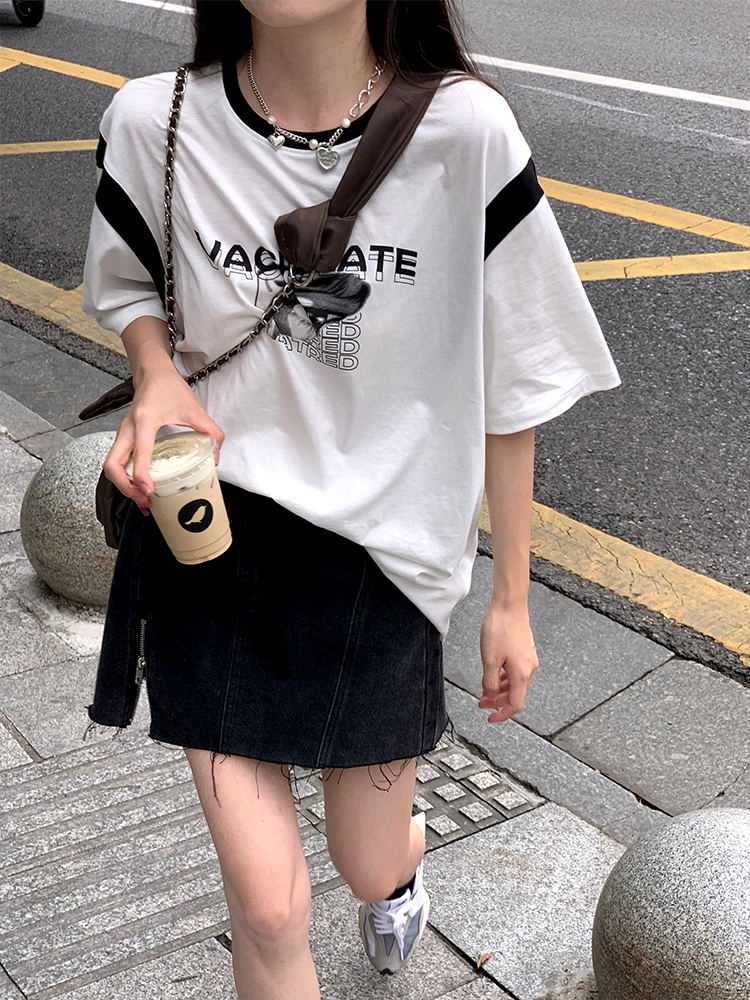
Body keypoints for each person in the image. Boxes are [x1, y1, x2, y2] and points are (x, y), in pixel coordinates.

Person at [81, 1, 621, 997]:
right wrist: (154, 373)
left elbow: (518, 379)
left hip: (383, 557)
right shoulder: (154, 119)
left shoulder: (466, 131)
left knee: (366, 860)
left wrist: (510, 601)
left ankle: (396, 876)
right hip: (211, 538)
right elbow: (130, 285)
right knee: (269, 906)